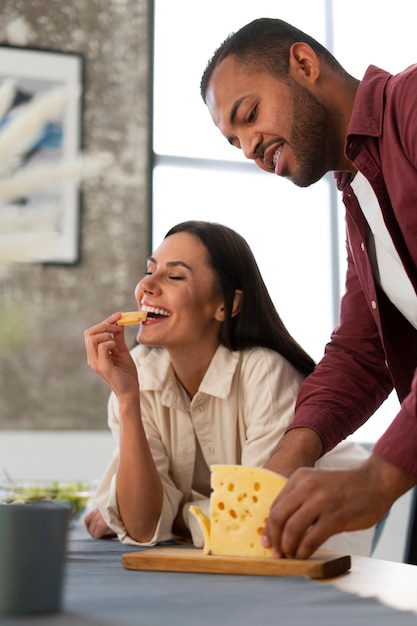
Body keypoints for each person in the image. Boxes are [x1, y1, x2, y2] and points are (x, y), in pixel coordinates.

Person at [200, 17, 417, 559]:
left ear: (303, 65)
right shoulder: (360, 198)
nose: (250, 148)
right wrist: (292, 453)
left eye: (248, 116)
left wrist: (378, 478)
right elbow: (363, 351)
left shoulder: (411, 105)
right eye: (235, 142)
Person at [84, 220, 375, 555]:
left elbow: (254, 521)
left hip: (319, 548)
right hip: (222, 559)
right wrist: (126, 399)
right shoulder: (139, 374)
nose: (146, 285)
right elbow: (143, 526)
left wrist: (176, 517)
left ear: (226, 305)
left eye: (175, 276)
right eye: (150, 270)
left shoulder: (264, 372)